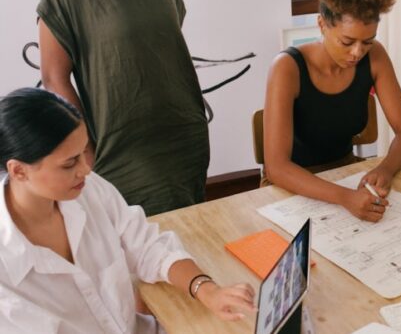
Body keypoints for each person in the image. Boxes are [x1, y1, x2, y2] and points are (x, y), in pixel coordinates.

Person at [0, 88, 254, 333]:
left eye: (83, 152)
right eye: (69, 163)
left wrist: (206, 289)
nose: (86, 169)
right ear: (19, 170)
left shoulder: (88, 189)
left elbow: (146, 246)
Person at [37, 0, 208, 215]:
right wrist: (84, 148)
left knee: (188, 237)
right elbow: (53, 76)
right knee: (133, 248)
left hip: (183, 130)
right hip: (120, 144)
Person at [263, 0, 401, 223]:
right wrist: (345, 197)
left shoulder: (375, 57)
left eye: (367, 42)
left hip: (345, 175)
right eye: (347, 42)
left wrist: (386, 169)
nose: (357, 52)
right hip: (291, 187)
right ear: (322, 25)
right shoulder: (287, 67)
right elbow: (277, 168)